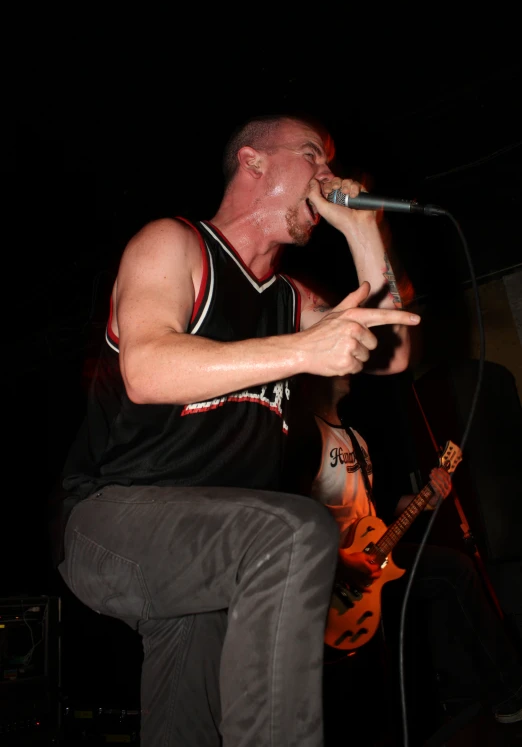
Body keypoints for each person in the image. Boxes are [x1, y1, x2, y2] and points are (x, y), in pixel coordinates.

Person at [50, 113, 422, 747]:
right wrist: (304, 351)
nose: (328, 176)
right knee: (295, 529)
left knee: (187, 723)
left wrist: (366, 230)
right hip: (112, 522)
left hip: (211, 543)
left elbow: (391, 354)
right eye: (314, 156)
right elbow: (146, 368)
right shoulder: (175, 245)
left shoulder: (292, 299)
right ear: (254, 163)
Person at [293, 371, 522, 739]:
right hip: (335, 572)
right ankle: (509, 689)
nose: (348, 368)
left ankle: (468, 695)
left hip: (376, 561)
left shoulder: (357, 439)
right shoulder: (305, 438)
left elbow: (376, 507)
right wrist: (339, 561)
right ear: (308, 379)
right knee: (454, 573)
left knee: (453, 572)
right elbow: (294, 516)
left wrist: (427, 498)